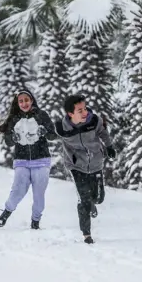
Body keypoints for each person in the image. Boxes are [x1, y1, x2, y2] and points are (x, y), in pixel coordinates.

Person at [55, 94, 115, 244]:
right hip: (76, 166)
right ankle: (86, 234)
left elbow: (103, 132)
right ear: (70, 114)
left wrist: (109, 146)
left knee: (99, 198)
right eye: (80, 110)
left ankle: (92, 203)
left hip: (95, 163)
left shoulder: (94, 121)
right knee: (83, 199)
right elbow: (50, 134)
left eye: (85, 108)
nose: (85, 112)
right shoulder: (62, 128)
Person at [0, 89, 58, 229]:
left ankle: (35, 221)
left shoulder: (42, 115)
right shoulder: (14, 118)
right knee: (18, 189)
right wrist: (13, 137)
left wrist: (45, 131)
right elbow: (8, 141)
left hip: (41, 160)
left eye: (26, 100)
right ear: (17, 103)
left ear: (32, 100)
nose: (24, 103)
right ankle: (7, 212)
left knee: (39, 193)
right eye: (21, 101)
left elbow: (53, 135)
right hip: (21, 160)